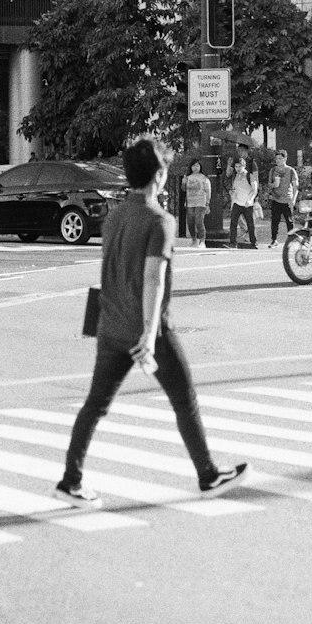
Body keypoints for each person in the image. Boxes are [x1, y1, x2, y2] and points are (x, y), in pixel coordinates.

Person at [55, 136, 247, 506]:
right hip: (148, 328)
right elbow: (152, 277)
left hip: (109, 323)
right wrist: (148, 332)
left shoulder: (114, 216)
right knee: (184, 400)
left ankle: (70, 479)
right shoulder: (160, 220)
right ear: (159, 175)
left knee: (95, 404)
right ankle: (207, 474)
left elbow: (111, 268)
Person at [266, 149, 299, 246]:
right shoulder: (273, 170)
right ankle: (274, 240)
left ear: (285, 158)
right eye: (276, 158)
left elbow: (295, 186)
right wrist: (273, 185)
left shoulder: (291, 171)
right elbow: (269, 184)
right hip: (276, 198)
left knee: (289, 221)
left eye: (280, 158)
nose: (277, 160)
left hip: (287, 199)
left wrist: (293, 200)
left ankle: (291, 240)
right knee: (274, 220)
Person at [228, 156, 259, 248]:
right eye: (236, 166)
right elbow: (234, 188)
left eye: (240, 166)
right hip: (237, 202)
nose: (238, 168)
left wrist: (251, 199)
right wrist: (232, 194)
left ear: (244, 166)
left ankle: (254, 242)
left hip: (247, 203)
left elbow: (255, 190)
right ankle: (233, 242)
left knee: (250, 223)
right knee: (233, 223)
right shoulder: (235, 176)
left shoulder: (250, 176)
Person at [181, 158, 211, 249]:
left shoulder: (204, 177)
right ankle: (194, 240)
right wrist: (183, 182)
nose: (195, 167)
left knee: (199, 221)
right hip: (190, 202)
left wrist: (207, 203)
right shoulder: (188, 177)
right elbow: (183, 189)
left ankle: (202, 241)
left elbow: (208, 191)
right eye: (193, 165)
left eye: (197, 165)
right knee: (190, 222)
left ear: (200, 166)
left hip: (201, 202)